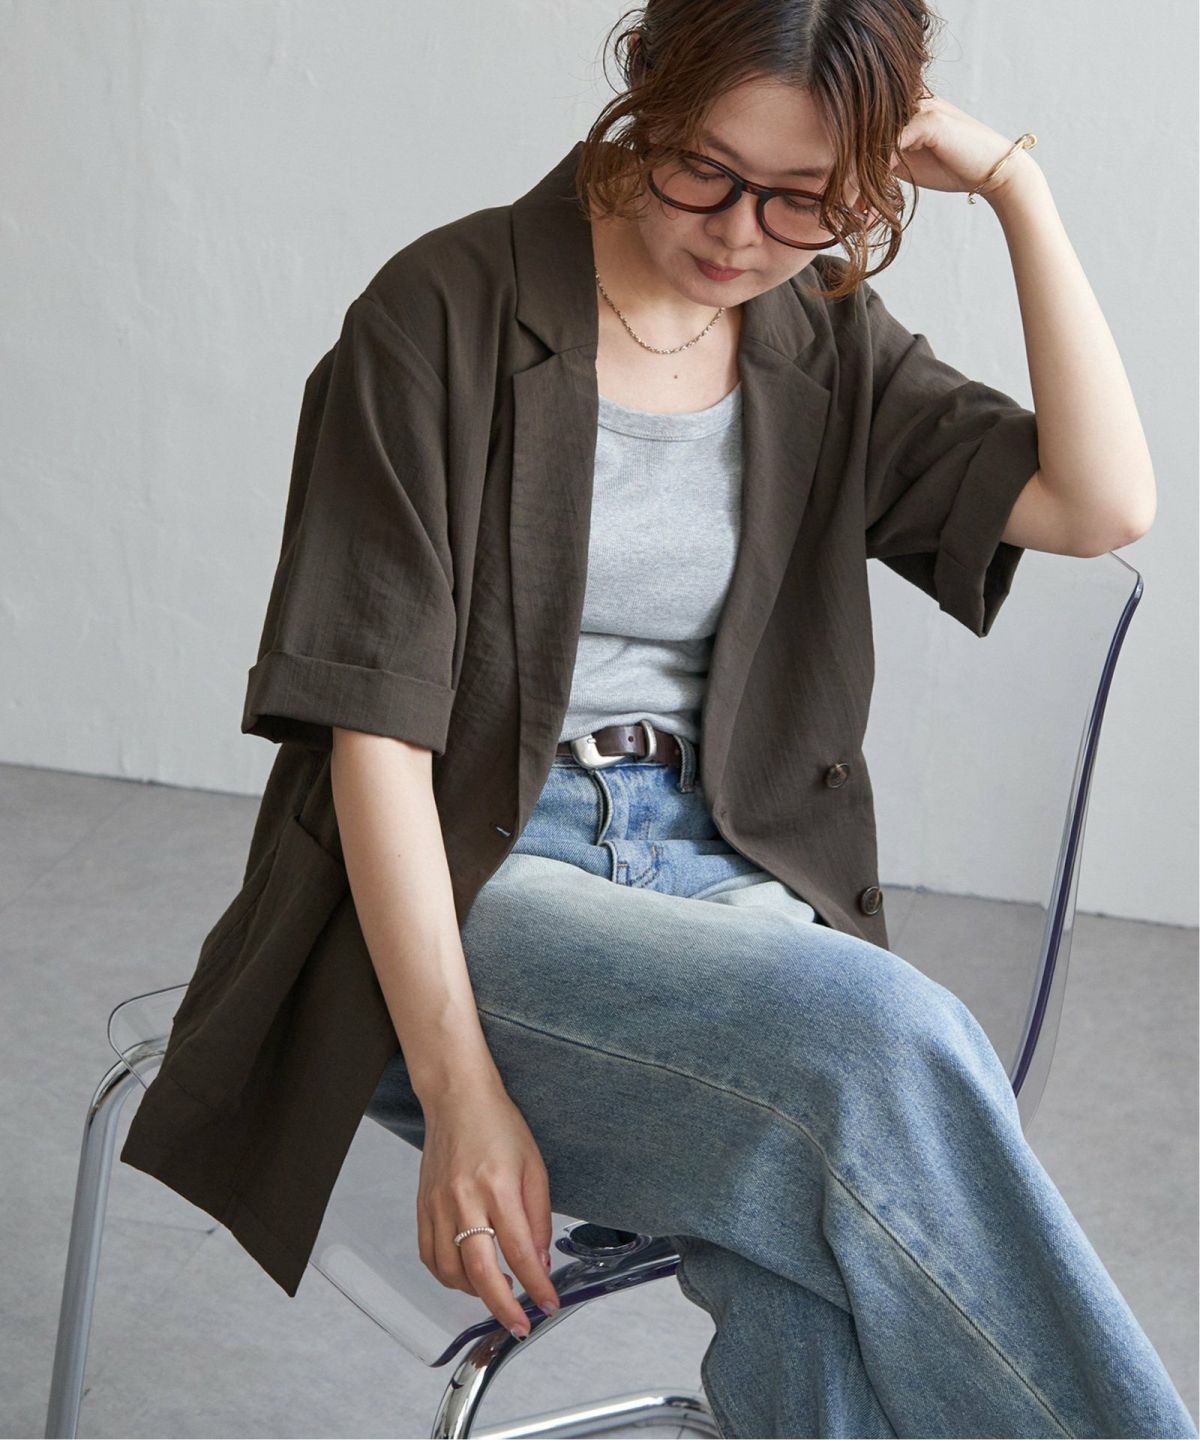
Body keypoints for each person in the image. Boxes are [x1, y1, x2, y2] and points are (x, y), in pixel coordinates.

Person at [119, 2, 1193, 1436]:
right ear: (648, 93)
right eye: (707, 170)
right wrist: (459, 1091)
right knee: (881, 1042)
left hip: (723, 871)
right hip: (476, 879)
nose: (744, 231)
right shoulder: (443, 313)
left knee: (810, 1232)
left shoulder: (822, 336)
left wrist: (1019, 191)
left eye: (808, 197)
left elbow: (1100, 502)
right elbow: (375, 740)